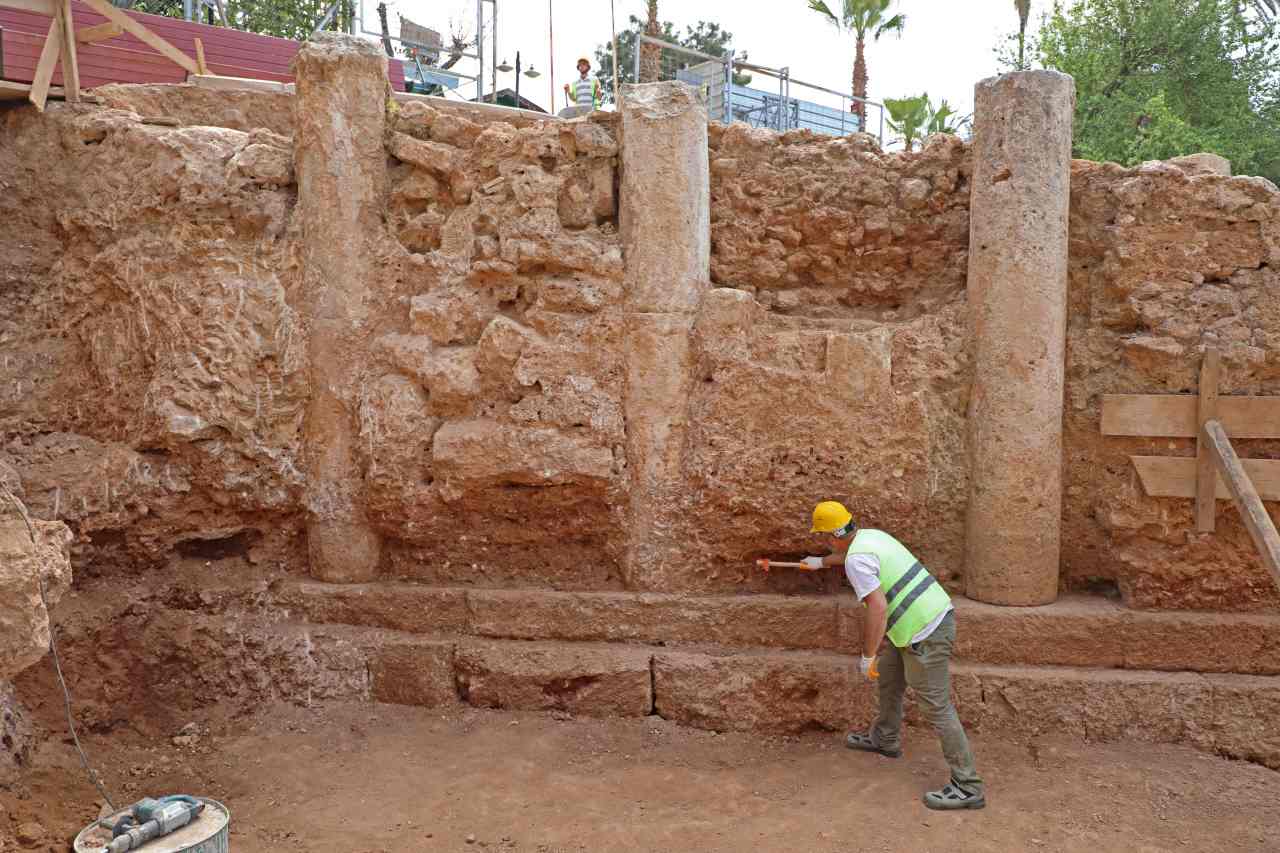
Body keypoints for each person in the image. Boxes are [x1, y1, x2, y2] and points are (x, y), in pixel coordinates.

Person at [802, 500, 986, 811]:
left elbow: (877, 608)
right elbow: (848, 555)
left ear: (832, 535)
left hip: (923, 633)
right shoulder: (871, 536)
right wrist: (821, 563)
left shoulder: (856, 560)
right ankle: (885, 738)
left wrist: (867, 655)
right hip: (924, 621)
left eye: (824, 537)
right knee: (889, 679)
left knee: (937, 708)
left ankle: (967, 786)